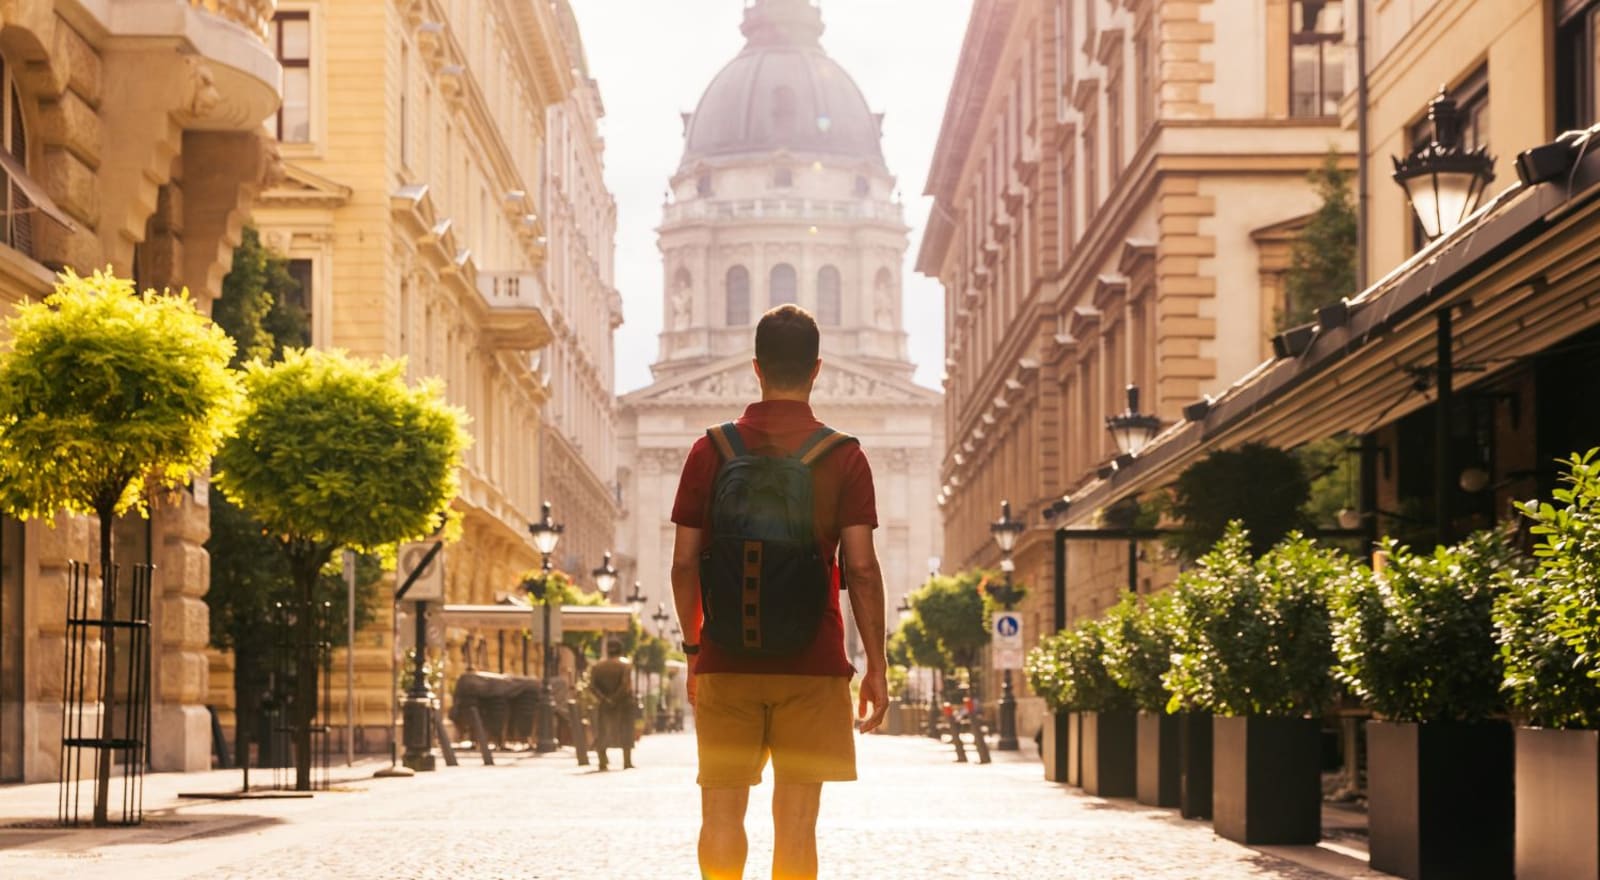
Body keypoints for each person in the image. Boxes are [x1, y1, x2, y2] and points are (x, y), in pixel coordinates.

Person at [670, 304, 889, 880]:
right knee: (797, 825)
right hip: (813, 666)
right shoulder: (843, 455)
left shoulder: (709, 449)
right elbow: (862, 570)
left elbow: (682, 566)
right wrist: (877, 667)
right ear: (816, 369)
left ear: (756, 367)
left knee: (720, 814)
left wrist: (695, 652)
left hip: (726, 660)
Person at [587, 640, 635, 771]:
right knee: (626, 731)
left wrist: (605, 699)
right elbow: (625, 685)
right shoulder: (626, 664)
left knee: (603, 731)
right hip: (624, 703)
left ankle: (602, 762)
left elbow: (592, 686)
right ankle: (627, 762)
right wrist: (614, 698)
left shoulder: (598, 666)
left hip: (604, 704)